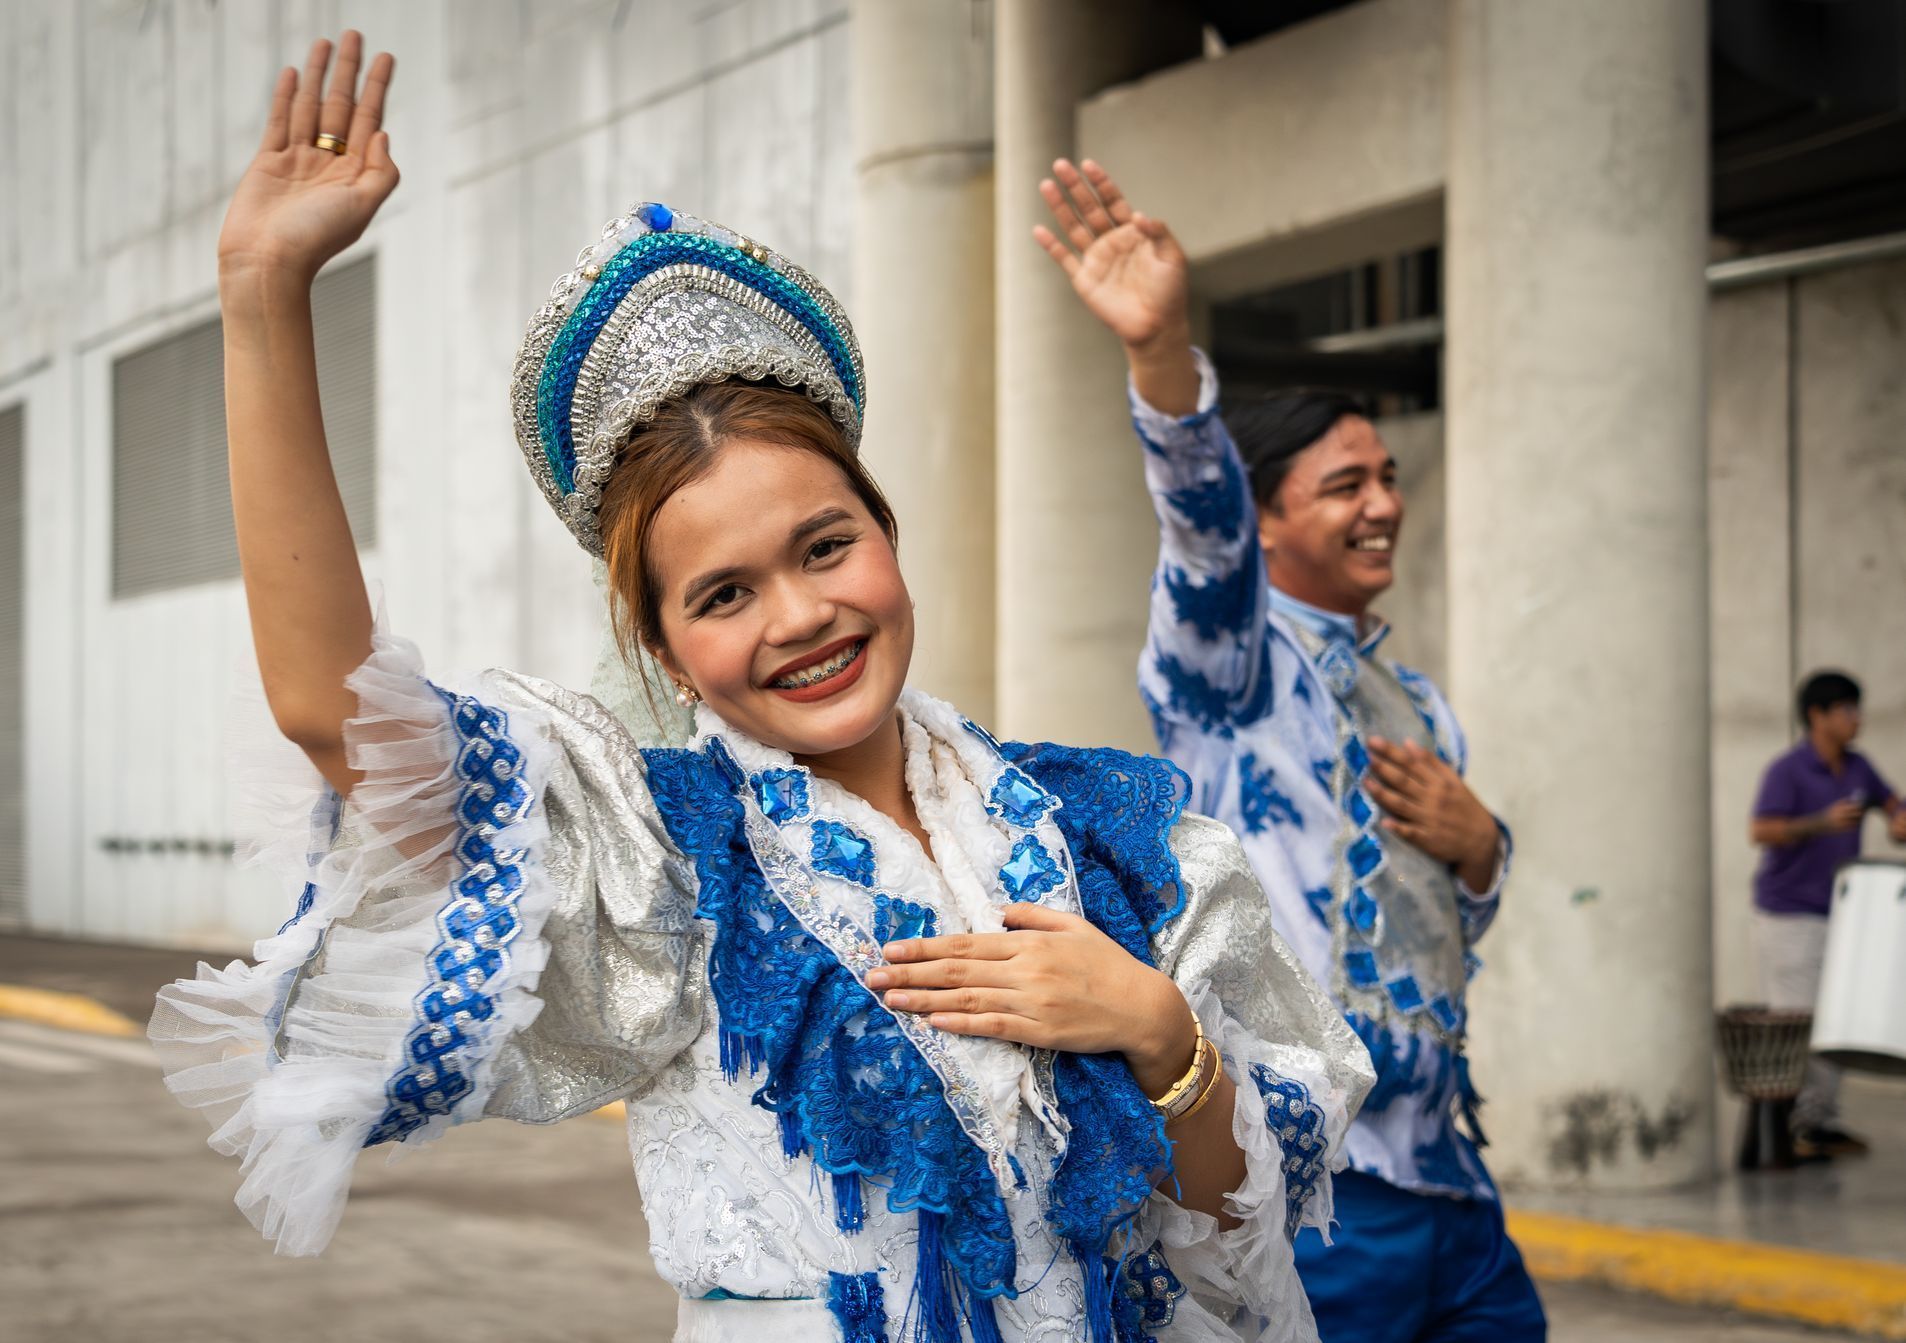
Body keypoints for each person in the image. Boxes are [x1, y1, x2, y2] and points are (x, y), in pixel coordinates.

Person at [148, 33, 1375, 1343]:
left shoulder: (1114, 835)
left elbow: (1235, 1228)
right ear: (665, 648)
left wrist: (1161, 1032)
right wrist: (262, 295)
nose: (799, 616)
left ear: (886, 534)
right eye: (723, 593)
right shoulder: (661, 857)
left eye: (825, 546)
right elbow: (338, 712)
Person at [1034, 160, 1545, 1342]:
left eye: (1388, 478)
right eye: (1344, 485)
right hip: (1316, 1185)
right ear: (1264, 519)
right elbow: (1200, 529)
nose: (1383, 505)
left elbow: (1444, 926)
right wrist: (1160, 351)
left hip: (1448, 1178)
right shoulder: (1233, 668)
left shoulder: (1417, 701)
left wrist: (1482, 847)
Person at [1749, 669, 1906, 1158]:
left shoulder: (1858, 768)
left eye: (1857, 708)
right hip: (1789, 914)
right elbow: (1761, 830)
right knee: (1799, 1020)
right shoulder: (1788, 770)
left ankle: (1818, 1123)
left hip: (1842, 913)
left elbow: (1892, 804)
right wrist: (1820, 823)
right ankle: (1788, 1126)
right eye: (1846, 709)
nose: (1856, 719)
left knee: (1835, 1019)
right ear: (1817, 716)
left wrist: (1898, 820)